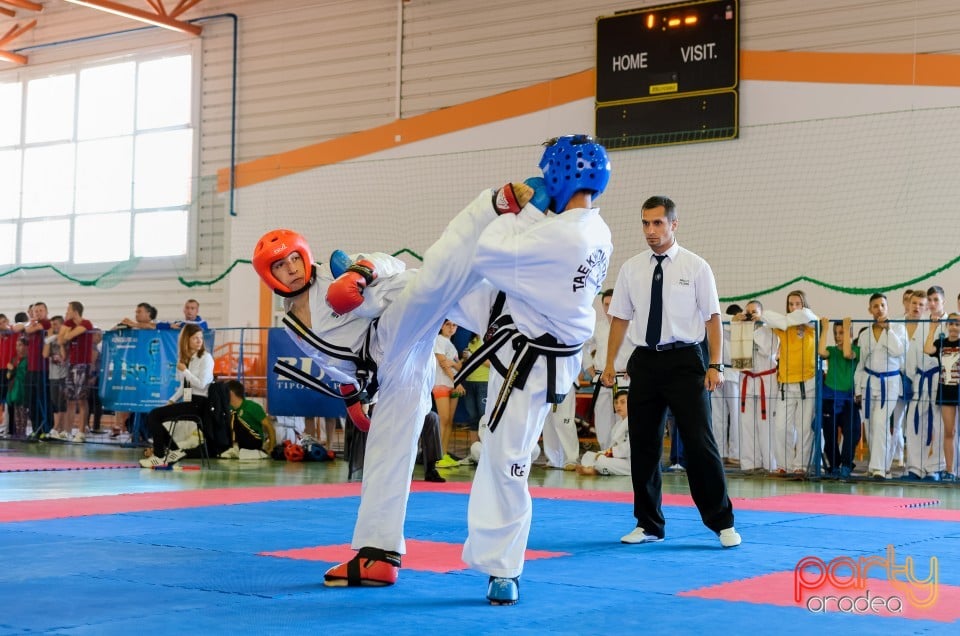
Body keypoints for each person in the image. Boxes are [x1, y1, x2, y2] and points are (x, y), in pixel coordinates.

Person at [252, 175, 533, 594]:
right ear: (269, 275)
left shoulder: (334, 268)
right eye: (280, 265)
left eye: (293, 258)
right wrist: (352, 397)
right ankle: (377, 555)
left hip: (390, 331)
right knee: (385, 455)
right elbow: (331, 362)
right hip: (385, 372)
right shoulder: (291, 323)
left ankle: (493, 213)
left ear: (304, 255)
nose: (290, 268)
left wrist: (361, 271)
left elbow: (391, 263)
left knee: (428, 285)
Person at [454, 135, 612, 605]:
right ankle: (378, 280)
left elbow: (490, 252)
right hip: (520, 325)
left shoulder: (563, 233)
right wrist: (538, 214)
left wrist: (526, 211)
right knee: (436, 281)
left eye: (547, 174)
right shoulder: (592, 228)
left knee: (508, 462)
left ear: (560, 176)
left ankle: (506, 568)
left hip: (528, 357)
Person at [601, 195, 740, 549]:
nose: (651, 230)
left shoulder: (696, 267)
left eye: (658, 223)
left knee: (699, 444)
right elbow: (620, 318)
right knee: (644, 446)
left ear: (674, 224)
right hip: (645, 361)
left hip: (686, 362)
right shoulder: (632, 267)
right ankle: (648, 523)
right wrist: (609, 363)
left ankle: (722, 522)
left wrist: (715, 364)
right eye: (645, 223)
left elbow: (713, 318)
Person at [140, 324, 214, 468]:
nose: (199, 341)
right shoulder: (185, 359)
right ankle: (174, 450)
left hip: (199, 403)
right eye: (195, 338)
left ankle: (161, 455)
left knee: (154, 415)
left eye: (201, 338)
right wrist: (172, 400)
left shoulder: (206, 358)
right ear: (186, 340)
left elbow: (201, 384)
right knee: (155, 416)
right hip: (188, 400)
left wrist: (185, 371)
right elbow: (183, 386)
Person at [854, 293, 907, 479]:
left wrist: (888, 330)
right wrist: (858, 389)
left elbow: (899, 351)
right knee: (869, 424)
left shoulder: (898, 329)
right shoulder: (865, 333)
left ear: (887, 307)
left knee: (881, 422)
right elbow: (861, 363)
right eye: (875, 306)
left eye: (882, 305)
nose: (879, 309)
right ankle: (875, 467)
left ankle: (880, 468)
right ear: (870, 310)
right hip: (868, 382)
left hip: (890, 383)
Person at [766, 290, 818, 476]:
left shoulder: (812, 323)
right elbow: (767, 316)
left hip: (807, 382)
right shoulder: (783, 326)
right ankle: (784, 465)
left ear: (804, 304)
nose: (794, 307)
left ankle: (801, 466)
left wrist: (792, 318)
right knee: (781, 427)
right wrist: (786, 320)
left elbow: (805, 315)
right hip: (786, 383)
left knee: (804, 427)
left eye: (798, 303)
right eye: (791, 304)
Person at [904, 286, 947, 481]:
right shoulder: (922, 323)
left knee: (939, 424)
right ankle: (915, 467)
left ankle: (935, 468)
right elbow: (913, 353)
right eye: (929, 300)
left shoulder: (951, 323)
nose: (931, 304)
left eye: (936, 300)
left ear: (943, 301)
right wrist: (914, 377)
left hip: (941, 379)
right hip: (920, 379)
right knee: (914, 423)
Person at [733, 301, 779, 474]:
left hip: (765, 381)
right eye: (748, 312)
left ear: (761, 312)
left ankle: (770, 464)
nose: (751, 315)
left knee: (766, 425)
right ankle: (750, 464)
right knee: (746, 424)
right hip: (747, 379)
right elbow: (720, 319)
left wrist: (757, 327)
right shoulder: (740, 328)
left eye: (755, 312)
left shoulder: (770, 329)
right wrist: (737, 320)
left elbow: (769, 350)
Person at [584, 288, 632, 449]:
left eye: (612, 304)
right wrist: (588, 366)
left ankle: (623, 453)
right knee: (603, 419)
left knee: (624, 418)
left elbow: (641, 349)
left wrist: (633, 366)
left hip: (624, 379)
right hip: (602, 379)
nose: (608, 308)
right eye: (605, 304)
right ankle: (606, 451)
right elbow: (583, 345)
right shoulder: (596, 327)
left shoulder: (630, 325)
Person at [818, 317, 860, 478]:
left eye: (842, 332)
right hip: (830, 398)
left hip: (848, 399)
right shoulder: (832, 351)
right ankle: (834, 465)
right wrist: (825, 330)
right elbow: (821, 352)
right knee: (830, 434)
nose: (838, 336)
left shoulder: (856, 350)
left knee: (852, 432)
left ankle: (846, 464)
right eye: (836, 333)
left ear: (849, 334)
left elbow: (848, 354)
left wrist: (848, 327)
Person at [923, 312, 960, 481]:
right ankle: (950, 469)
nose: (954, 327)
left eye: (958, 324)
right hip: (946, 389)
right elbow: (927, 349)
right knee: (949, 431)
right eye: (951, 323)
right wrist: (932, 328)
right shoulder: (941, 342)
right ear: (947, 325)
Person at [59, 301, 95, 442]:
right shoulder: (69, 323)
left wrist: (66, 331)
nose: (66, 312)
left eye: (68, 310)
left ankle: (81, 431)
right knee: (69, 398)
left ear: (75, 311)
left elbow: (66, 337)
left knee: (81, 398)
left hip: (82, 365)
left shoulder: (86, 323)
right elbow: (60, 340)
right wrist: (66, 331)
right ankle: (67, 431)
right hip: (71, 363)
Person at [433, 319, 464, 468]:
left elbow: (459, 366)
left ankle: (444, 455)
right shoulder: (438, 339)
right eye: (448, 324)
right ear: (441, 326)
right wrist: (457, 381)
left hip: (453, 385)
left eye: (454, 325)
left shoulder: (451, 345)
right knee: (443, 420)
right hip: (442, 384)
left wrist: (453, 364)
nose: (451, 328)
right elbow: (443, 364)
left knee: (450, 421)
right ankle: (437, 457)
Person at [576, 389, 630, 476]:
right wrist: (603, 453)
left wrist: (605, 454)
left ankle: (594, 470)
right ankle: (595, 468)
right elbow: (612, 446)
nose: (618, 405)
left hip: (631, 462)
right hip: (619, 458)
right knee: (588, 455)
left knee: (601, 460)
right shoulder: (618, 424)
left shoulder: (635, 423)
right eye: (616, 403)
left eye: (622, 402)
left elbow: (627, 449)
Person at [218, 380, 274, 460]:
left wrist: (271, 448)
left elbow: (269, 427)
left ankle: (235, 447)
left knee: (233, 415)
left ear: (230, 393)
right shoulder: (228, 408)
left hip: (254, 441)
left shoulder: (251, 407)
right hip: (241, 442)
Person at [43, 315, 69, 440]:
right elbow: (45, 354)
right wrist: (49, 338)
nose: (53, 327)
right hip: (52, 374)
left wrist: (60, 340)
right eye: (52, 324)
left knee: (61, 402)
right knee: (54, 403)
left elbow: (64, 356)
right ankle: (56, 428)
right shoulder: (51, 339)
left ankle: (59, 428)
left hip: (63, 374)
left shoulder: (65, 338)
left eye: (56, 324)